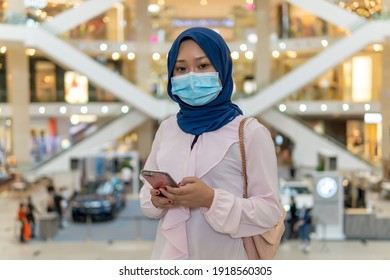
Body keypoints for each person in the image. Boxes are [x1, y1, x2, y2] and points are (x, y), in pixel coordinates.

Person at [139, 27, 283, 260]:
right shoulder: (167, 129)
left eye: (203, 66)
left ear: (222, 68)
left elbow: (270, 212)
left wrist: (210, 200)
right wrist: (157, 199)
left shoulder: (250, 133)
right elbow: (146, 196)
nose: (192, 76)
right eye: (181, 68)